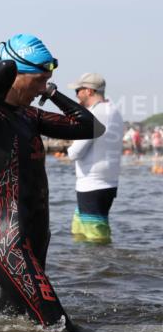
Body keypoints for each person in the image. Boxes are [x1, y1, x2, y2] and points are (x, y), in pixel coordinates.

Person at [0, 34, 103, 332]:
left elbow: (91, 127)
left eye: (47, 81)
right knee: (63, 331)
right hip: (10, 241)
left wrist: (52, 92)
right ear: (16, 75)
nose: (43, 87)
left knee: (15, 327)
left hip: (36, 236)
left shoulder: (29, 115)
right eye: (39, 80)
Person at [65, 73, 124, 243]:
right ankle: (88, 268)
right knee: (81, 232)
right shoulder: (113, 110)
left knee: (95, 238)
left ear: (89, 91)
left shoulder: (94, 114)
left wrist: (69, 145)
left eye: (78, 90)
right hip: (106, 183)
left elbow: (75, 152)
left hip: (92, 184)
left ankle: (101, 268)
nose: (75, 95)